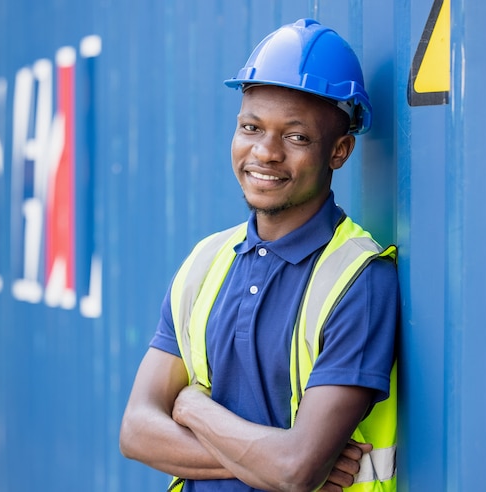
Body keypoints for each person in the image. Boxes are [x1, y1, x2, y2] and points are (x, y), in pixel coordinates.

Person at [120, 18, 399, 492]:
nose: (265, 152)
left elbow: (294, 470)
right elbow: (136, 431)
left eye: (295, 137)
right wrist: (268, 459)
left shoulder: (358, 280)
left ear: (340, 150)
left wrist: (191, 408)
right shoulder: (206, 262)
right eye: (251, 128)